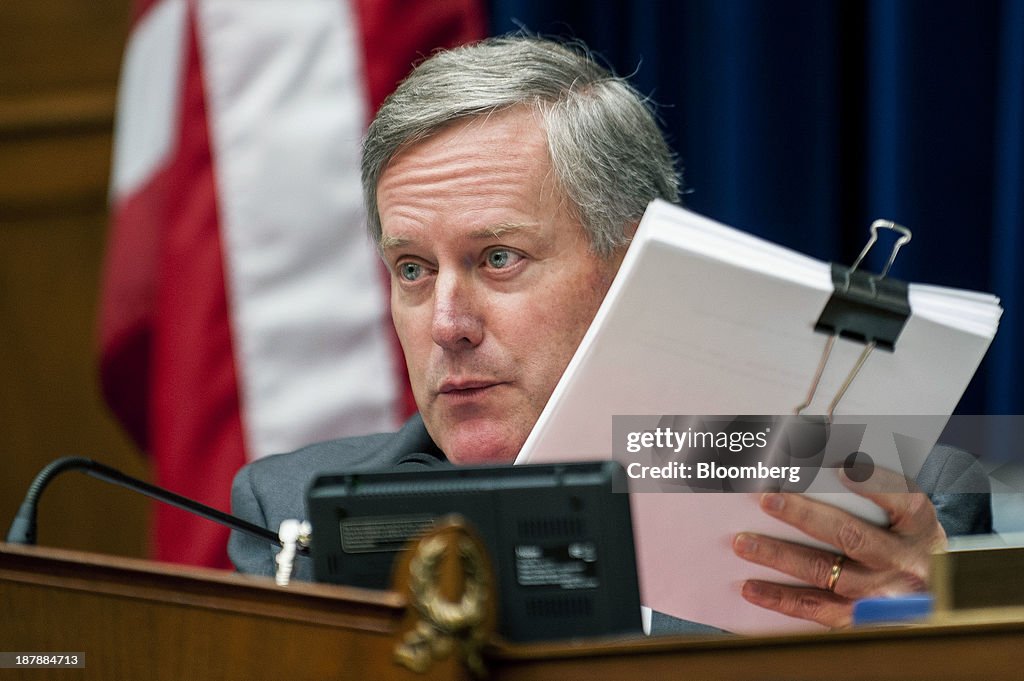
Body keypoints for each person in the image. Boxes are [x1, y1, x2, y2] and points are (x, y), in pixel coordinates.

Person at [229, 35, 991, 632]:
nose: (448, 325)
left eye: (498, 258)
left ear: (636, 268)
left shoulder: (892, 503)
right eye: (412, 270)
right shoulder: (292, 508)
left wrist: (928, 633)